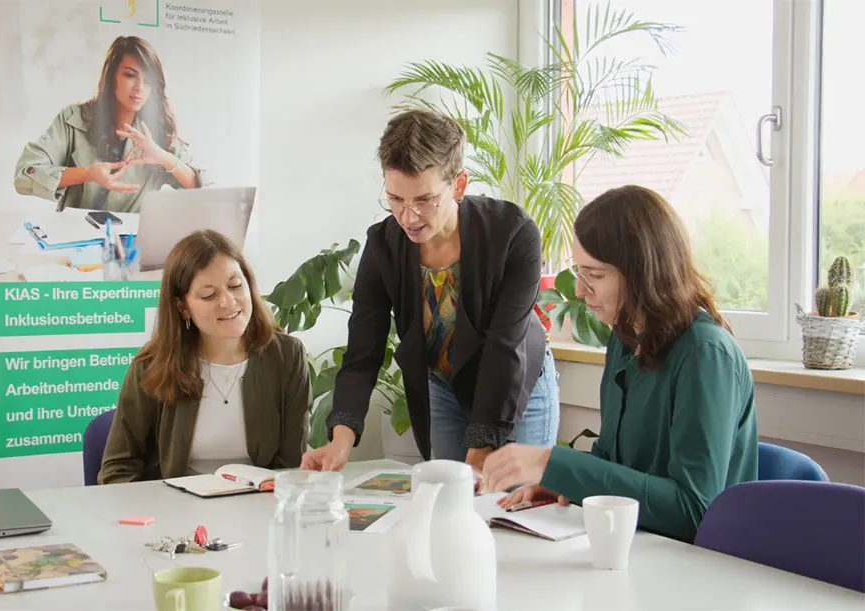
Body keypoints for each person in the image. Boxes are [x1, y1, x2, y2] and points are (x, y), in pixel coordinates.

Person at [481, 185, 759, 543]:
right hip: (635, 545)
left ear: (644, 272)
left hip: (700, 561)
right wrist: (563, 483)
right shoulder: (624, 337)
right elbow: (613, 459)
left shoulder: (706, 354)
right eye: (579, 272)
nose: (580, 291)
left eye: (594, 275)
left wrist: (553, 464)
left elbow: (695, 510)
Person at [300, 109, 560, 477]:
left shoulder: (513, 234)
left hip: (517, 380)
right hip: (443, 385)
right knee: (445, 499)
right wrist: (340, 440)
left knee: (513, 503)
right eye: (395, 200)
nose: (409, 217)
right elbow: (363, 351)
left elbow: (506, 348)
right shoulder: (383, 245)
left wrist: (481, 449)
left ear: (459, 184)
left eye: (424, 200)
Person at [98, 230, 312, 483]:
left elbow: (290, 466)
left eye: (235, 285)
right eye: (209, 295)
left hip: (258, 507)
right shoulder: (152, 365)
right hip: (174, 510)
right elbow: (118, 468)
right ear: (182, 307)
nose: (228, 301)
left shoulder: (287, 356)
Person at [14, 36, 202, 213]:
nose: (139, 87)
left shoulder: (158, 132)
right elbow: (24, 175)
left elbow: (204, 190)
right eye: (130, 75)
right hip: (75, 238)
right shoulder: (74, 119)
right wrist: (87, 173)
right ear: (112, 77)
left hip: (132, 242)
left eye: (149, 80)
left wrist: (163, 157)